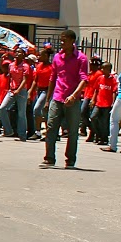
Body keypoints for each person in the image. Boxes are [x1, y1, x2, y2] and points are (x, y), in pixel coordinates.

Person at [41, 29, 89, 169]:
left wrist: (74, 95)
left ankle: (70, 160)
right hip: (57, 96)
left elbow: (84, 79)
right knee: (51, 127)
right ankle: (49, 158)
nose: (62, 43)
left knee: (72, 131)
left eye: (64, 40)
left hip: (72, 99)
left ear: (72, 41)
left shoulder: (81, 58)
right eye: (61, 40)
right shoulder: (57, 57)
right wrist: (47, 99)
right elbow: (53, 78)